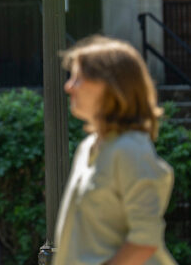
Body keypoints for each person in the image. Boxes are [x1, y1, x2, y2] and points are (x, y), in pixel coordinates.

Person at [55, 36, 176, 265]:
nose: (68, 86)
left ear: (111, 87)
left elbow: (145, 241)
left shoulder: (130, 150)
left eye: (79, 78)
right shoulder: (87, 147)